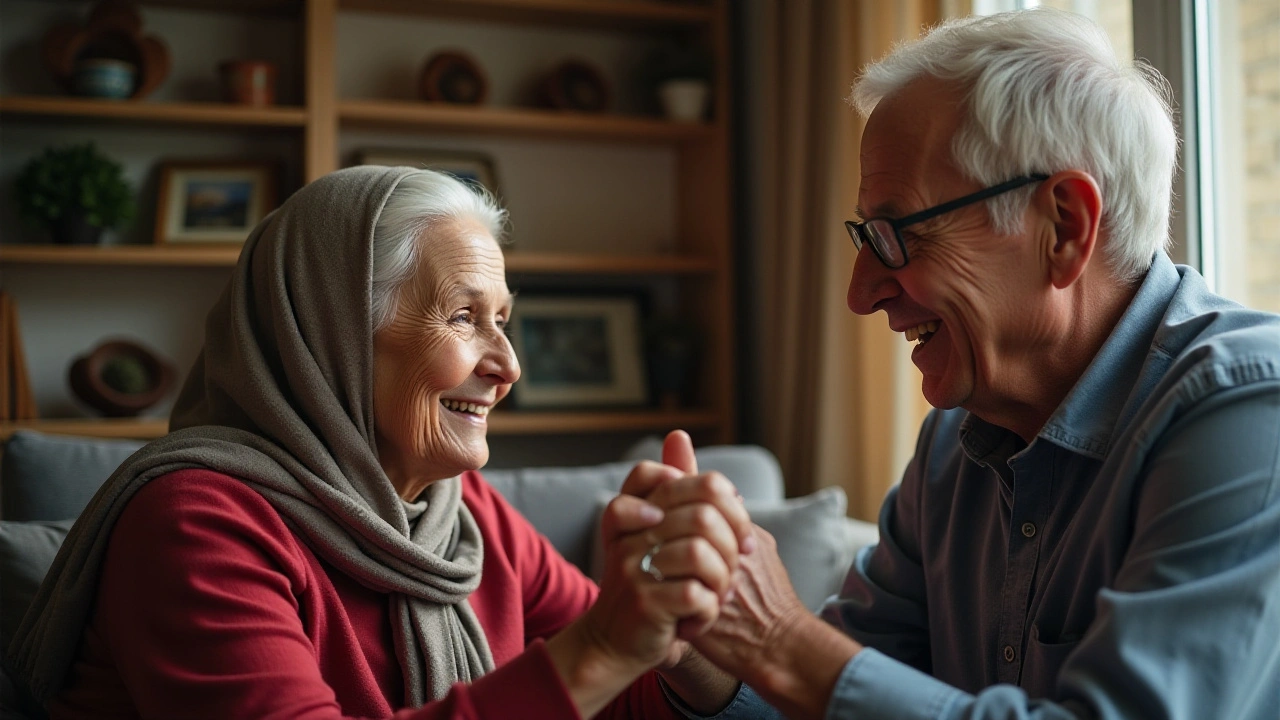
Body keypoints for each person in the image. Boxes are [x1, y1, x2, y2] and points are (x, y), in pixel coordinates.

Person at [649, 8, 1280, 720]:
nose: (862, 293)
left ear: (1064, 227)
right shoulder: (954, 444)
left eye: (896, 234)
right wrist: (699, 649)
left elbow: (814, 670)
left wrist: (777, 639)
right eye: (865, 236)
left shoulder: (1252, 409)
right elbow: (831, 701)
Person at [4, 166, 757, 719]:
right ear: (330, 340)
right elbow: (595, 662)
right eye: (464, 318)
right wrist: (603, 646)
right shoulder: (195, 522)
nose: (508, 366)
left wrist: (686, 632)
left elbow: (619, 701)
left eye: (504, 320)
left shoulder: (461, 515)